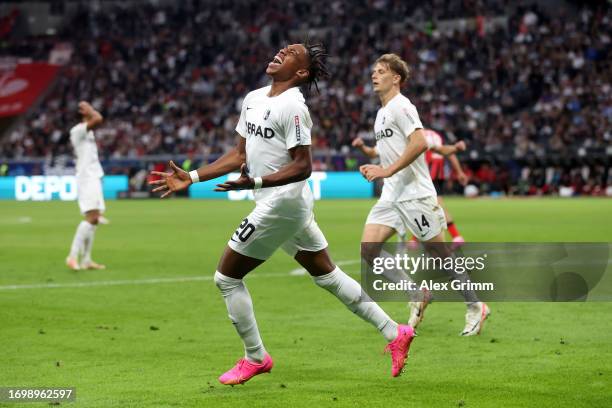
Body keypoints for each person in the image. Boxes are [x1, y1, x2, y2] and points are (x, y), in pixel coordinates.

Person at [149, 42, 415, 385]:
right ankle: (395, 331)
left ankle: (256, 357)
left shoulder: (293, 107)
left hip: (283, 202)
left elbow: (303, 166)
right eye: (282, 49)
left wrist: (256, 181)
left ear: (301, 72)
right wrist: (193, 177)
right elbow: (237, 155)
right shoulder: (254, 98)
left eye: (290, 54)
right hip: (281, 203)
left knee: (226, 279)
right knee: (328, 276)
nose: (280, 52)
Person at [359, 53, 490, 335]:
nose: (374, 75)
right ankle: (417, 294)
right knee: (369, 249)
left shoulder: (402, 106)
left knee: (439, 254)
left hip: (415, 195)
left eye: (381, 71)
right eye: (374, 70)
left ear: (396, 78)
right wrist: (378, 167)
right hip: (392, 196)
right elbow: (394, 151)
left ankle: (476, 305)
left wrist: (387, 170)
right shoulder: (381, 113)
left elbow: (419, 143)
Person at [352, 129, 469, 247]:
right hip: (392, 195)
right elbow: (373, 153)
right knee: (369, 248)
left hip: (419, 187)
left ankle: (452, 238)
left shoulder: (419, 137)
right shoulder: (387, 138)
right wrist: (362, 148)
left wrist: (455, 149)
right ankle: (417, 240)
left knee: (436, 247)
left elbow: (440, 149)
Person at [66, 101, 106, 271]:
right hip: (86, 178)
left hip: (94, 177)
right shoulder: (77, 131)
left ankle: (87, 259)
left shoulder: (88, 133)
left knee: (95, 220)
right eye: (86, 108)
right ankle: (72, 256)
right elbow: (99, 118)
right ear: (82, 113)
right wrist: (91, 110)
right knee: (91, 218)